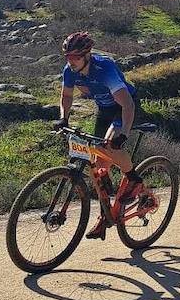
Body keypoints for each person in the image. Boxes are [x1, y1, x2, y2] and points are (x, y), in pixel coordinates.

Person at [55, 31, 143, 239]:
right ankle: (106, 214)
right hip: (104, 110)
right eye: (67, 57)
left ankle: (134, 179)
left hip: (124, 107)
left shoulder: (105, 69)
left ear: (87, 55)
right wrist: (63, 118)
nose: (71, 61)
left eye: (75, 57)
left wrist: (124, 134)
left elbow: (127, 104)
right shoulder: (70, 71)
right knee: (99, 165)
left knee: (110, 144)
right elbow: (66, 96)